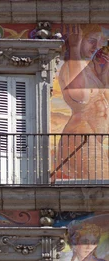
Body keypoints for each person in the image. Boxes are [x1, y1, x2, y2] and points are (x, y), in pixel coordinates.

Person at [57, 25, 109, 181]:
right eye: (91, 41)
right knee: (101, 188)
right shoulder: (70, 66)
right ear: (78, 40)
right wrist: (74, 49)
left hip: (92, 140)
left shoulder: (90, 70)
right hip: (80, 138)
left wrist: (104, 74)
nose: (96, 47)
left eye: (99, 42)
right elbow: (80, 97)